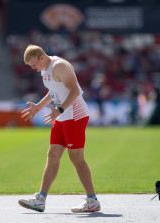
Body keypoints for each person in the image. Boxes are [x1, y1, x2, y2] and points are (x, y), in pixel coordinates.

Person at [19, 44, 100, 213]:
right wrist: (39, 107)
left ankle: (92, 200)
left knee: (76, 158)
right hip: (62, 115)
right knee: (53, 154)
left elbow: (75, 91)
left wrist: (60, 110)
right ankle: (40, 199)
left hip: (75, 115)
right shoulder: (44, 68)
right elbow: (53, 90)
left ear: (41, 57)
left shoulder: (60, 66)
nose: (33, 68)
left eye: (34, 64)